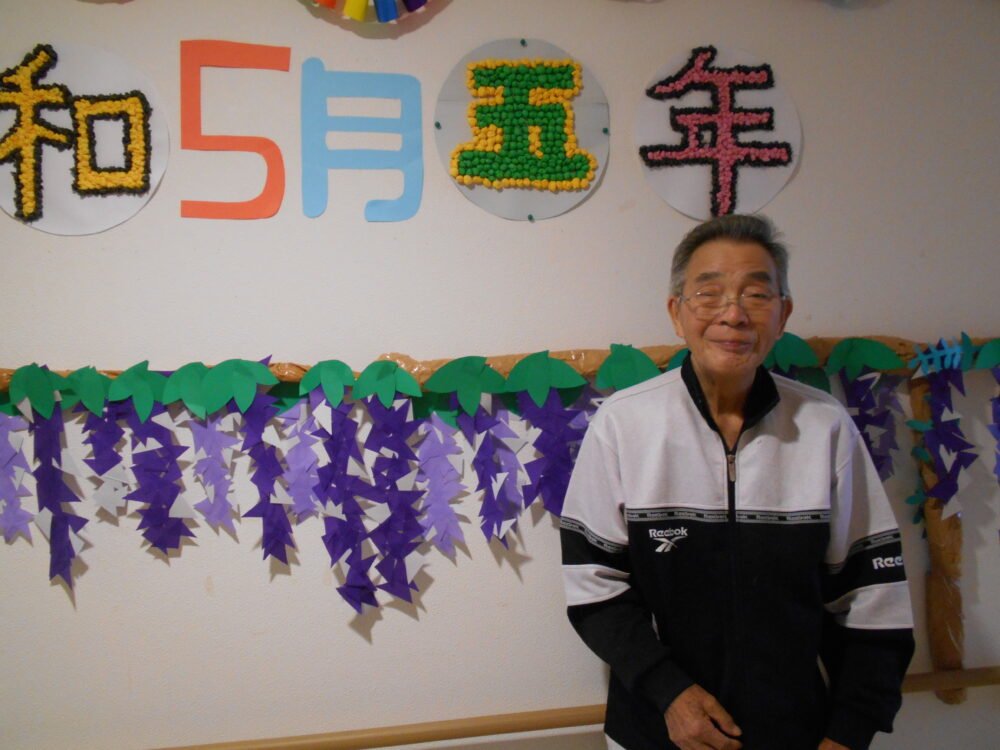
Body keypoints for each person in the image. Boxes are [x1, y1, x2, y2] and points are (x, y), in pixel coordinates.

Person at [560, 214, 914, 750]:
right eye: (709, 294)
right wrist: (669, 693)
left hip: (797, 732)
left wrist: (850, 732)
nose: (733, 314)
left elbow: (872, 597)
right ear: (676, 313)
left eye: (756, 294)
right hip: (654, 730)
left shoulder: (825, 426)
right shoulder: (623, 424)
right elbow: (593, 585)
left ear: (782, 314)